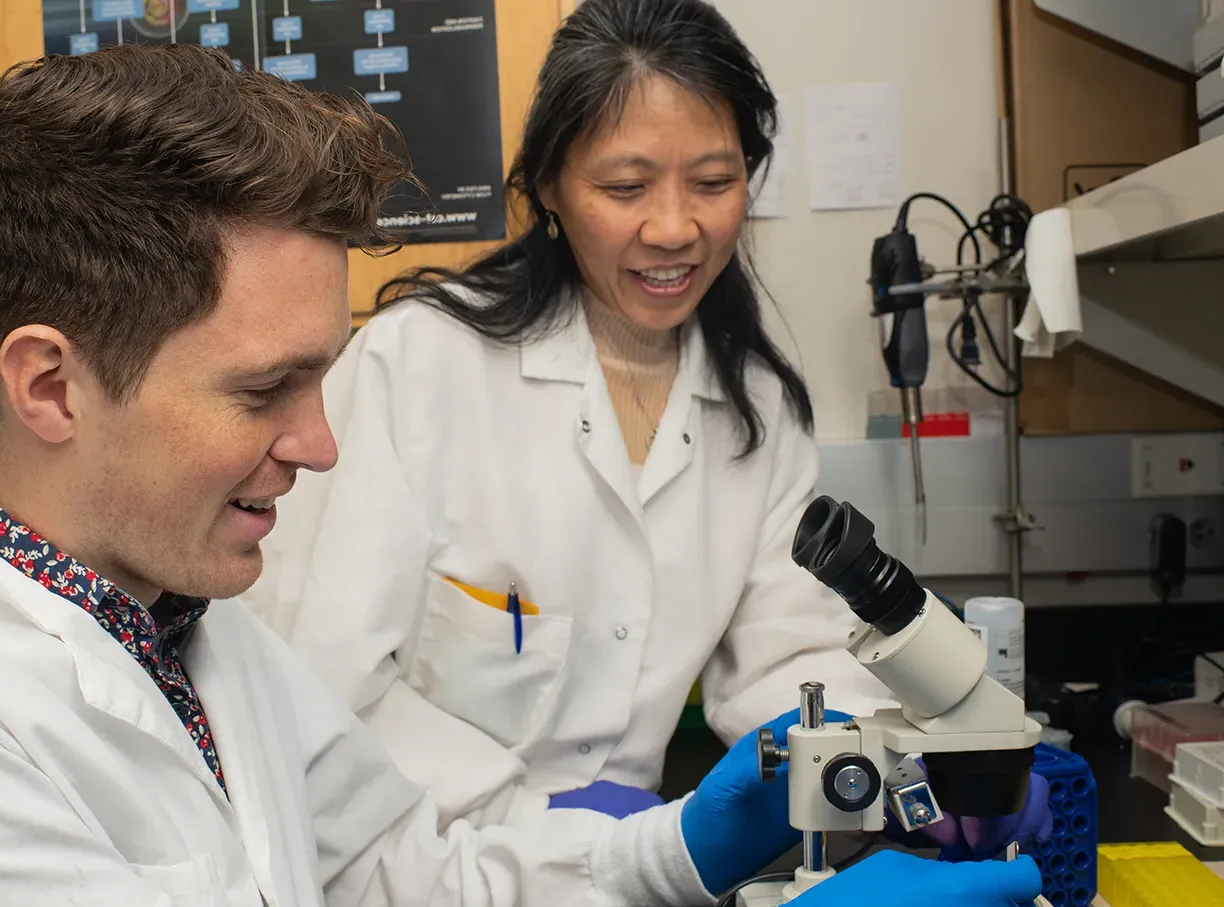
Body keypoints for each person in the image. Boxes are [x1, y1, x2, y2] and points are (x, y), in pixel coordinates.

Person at [0, 42, 1042, 907]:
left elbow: (392, 887)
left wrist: (683, 846)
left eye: (321, 378)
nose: (323, 444)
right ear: (51, 384)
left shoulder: (187, 636)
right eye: (267, 388)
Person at [241, 0, 1050, 859]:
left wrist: (909, 768)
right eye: (625, 188)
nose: (674, 228)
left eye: (713, 181)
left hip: (624, 882)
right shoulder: (422, 365)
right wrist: (530, 815)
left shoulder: (754, 408)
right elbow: (318, 674)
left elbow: (788, 657)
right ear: (549, 187)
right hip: (415, 870)